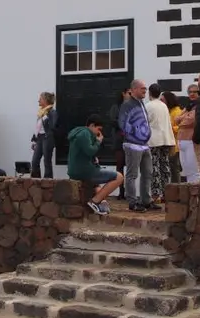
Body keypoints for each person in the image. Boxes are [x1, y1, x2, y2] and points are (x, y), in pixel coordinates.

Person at [68, 115, 124, 216]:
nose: (99, 133)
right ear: (92, 125)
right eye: (98, 129)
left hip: (76, 171)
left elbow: (85, 153)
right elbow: (90, 151)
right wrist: (98, 142)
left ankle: (101, 202)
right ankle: (95, 201)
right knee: (119, 177)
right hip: (84, 171)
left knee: (97, 186)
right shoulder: (85, 133)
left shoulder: (79, 133)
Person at [119, 79, 154, 213]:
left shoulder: (141, 103)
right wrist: (136, 133)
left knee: (148, 173)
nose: (145, 91)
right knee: (132, 174)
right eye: (142, 89)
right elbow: (123, 124)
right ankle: (132, 202)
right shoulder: (127, 105)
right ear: (133, 90)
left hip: (144, 145)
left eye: (145, 89)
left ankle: (146, 200)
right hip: (133, 144)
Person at [145, 83, 176, 203]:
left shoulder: (148, 106)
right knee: (165, 166)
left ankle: (156, 194)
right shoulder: (164, 106)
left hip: (153, 140)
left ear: (150, 93)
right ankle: (166, 192)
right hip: (165, 139)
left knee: (154, 167)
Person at [30, 92, 58, 178]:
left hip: (47, 138)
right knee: (34, 161)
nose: (39, 100)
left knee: (47, 161)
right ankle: (36, 181)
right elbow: (37, 128)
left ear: (45, 100)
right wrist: (34, 140)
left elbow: (53, 126)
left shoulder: (52, 112)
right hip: (40, 138)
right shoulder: (41, 112)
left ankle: (48, 182)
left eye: (40, 99)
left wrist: (47, 120)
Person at [175, 85, 199, 182]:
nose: (192, 94)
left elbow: (190, 120)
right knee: (186, 170)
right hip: (181, 140)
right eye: (190, 92)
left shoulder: (199, 106)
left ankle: (196, 192)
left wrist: (181, 119)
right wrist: (183, 119)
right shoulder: (188, 106)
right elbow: (176, 119)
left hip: (190, 139)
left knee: (193, 169)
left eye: (194, 92)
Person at [164, 91, 184, 184]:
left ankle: (176, 189)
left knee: (174, 168)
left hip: (175, 145)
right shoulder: (170, 111)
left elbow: (180, 128)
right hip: (171, 143)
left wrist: (169, 127)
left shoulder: (176, 112)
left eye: (163, 100)